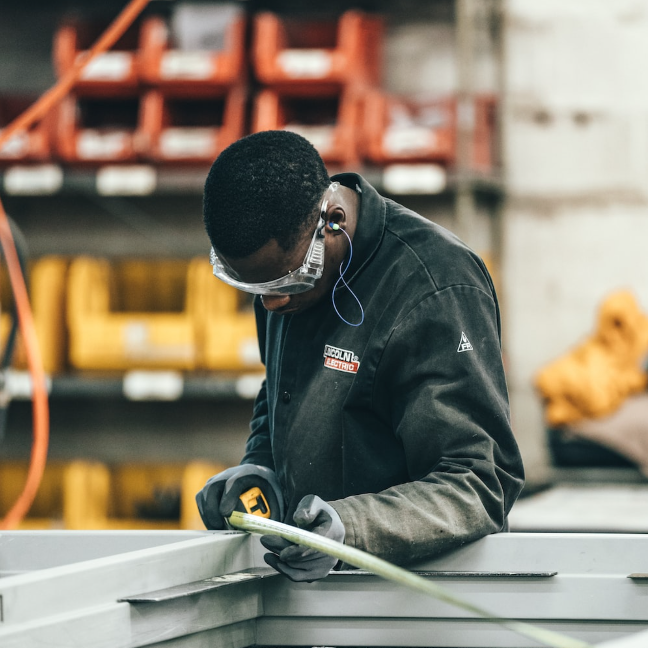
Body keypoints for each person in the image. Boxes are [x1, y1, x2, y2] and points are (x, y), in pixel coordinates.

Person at [196, 129, 525, 582]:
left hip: (412, 606)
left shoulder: (435, 287)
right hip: (314, 597)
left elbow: (478, 484)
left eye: (287, 284)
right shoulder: (284, 272)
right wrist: (261, 469)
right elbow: (282, 389)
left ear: (332, 220)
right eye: (258, 290)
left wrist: (353, 530)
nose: (272, 305)